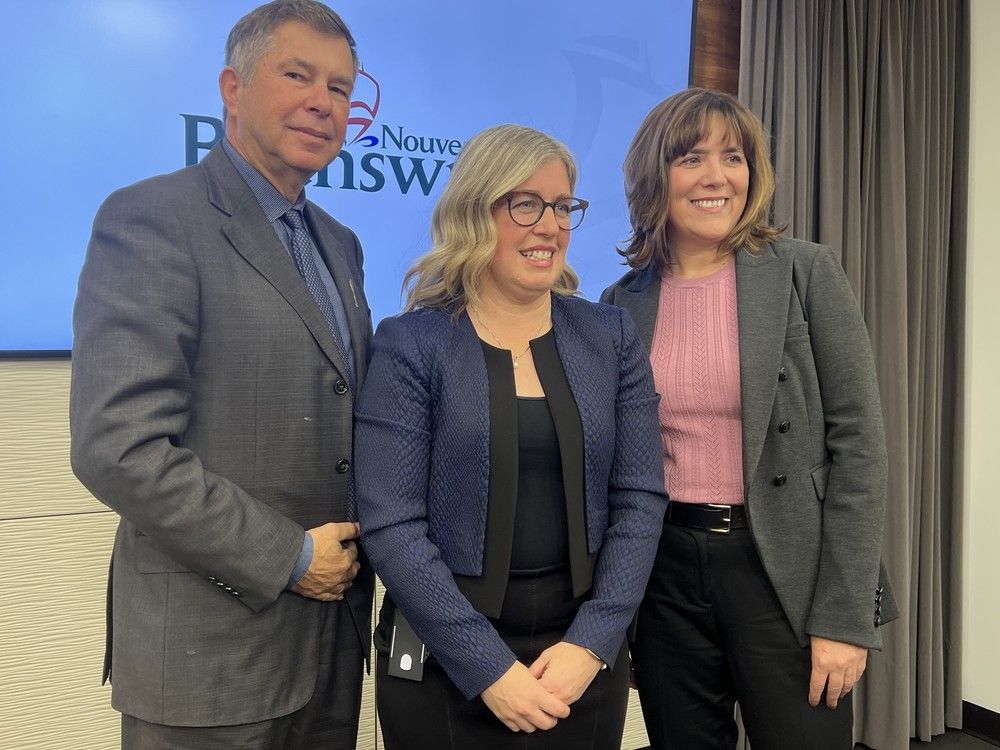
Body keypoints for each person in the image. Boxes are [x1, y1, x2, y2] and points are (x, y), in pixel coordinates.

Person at [69, 2, 374, 747]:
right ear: (231, 89)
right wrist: (291, 556)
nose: (321, 102)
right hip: (210, 660)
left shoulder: (340, 244)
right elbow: (119, 447)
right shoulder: (152, 219)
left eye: (339, 88)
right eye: (297, 75)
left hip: (330, 650)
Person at [601, 88, 898, 749]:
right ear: (655, 175)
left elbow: (860, 447)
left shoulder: (804, 272)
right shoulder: (621, 302)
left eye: (732, 157)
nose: (716, 177)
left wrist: (847, 619)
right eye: (691, 157)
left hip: (784, 569)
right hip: (667, 573)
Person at [354, 124, 667, 748]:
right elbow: (391, 524)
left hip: (577, 661)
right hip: (444, 658)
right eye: (524, 204)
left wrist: (594, 641)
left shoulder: (608, 337)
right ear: (476, 212)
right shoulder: (412, 343)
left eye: (562, 207)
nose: (548, 225)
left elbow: (640, 497)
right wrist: (486, 666)